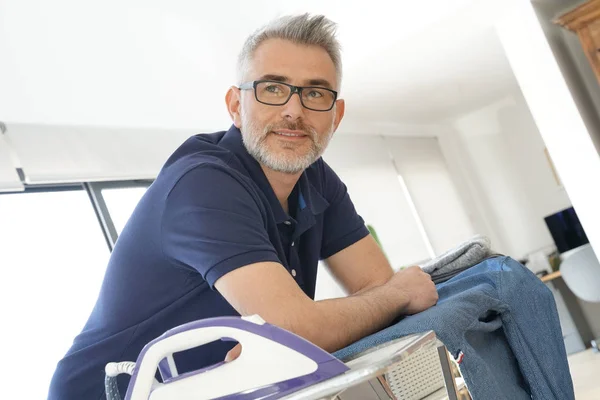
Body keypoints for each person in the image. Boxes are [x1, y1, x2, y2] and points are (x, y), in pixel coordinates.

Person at [48, 13, 438, 399]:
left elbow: (373, 285)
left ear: (335, 116)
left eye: (315, 93)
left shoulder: (315, 178)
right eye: (272, 88)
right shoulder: (203, 185)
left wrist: (316, 326)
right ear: (236, 105)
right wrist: (392, 297)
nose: (294, 111)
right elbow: (307, 323)